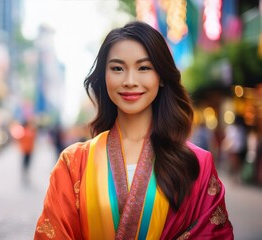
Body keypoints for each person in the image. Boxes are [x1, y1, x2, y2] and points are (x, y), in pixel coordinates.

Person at [34, 21, 233, 239]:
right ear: (104, 77)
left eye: (144, 68)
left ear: (162, 78)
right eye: (117, 68)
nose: (130, 81)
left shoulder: (196, 164)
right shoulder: (73, 163)